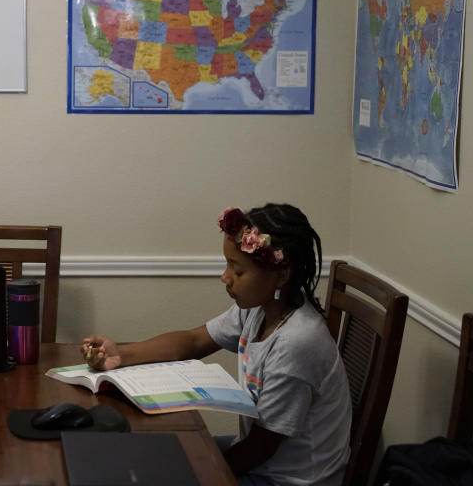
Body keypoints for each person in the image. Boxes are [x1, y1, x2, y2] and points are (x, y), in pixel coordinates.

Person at [82, 204, 351, 486]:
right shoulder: (260, 309)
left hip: (286, 478)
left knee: (163, 469)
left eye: (237, 269)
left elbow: (261, 447)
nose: (225, 277)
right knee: (157, 454)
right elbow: (194, 341)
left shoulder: (296, 343)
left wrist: (196, 473)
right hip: (261, 459)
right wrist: (121, 355)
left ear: (280, 275)